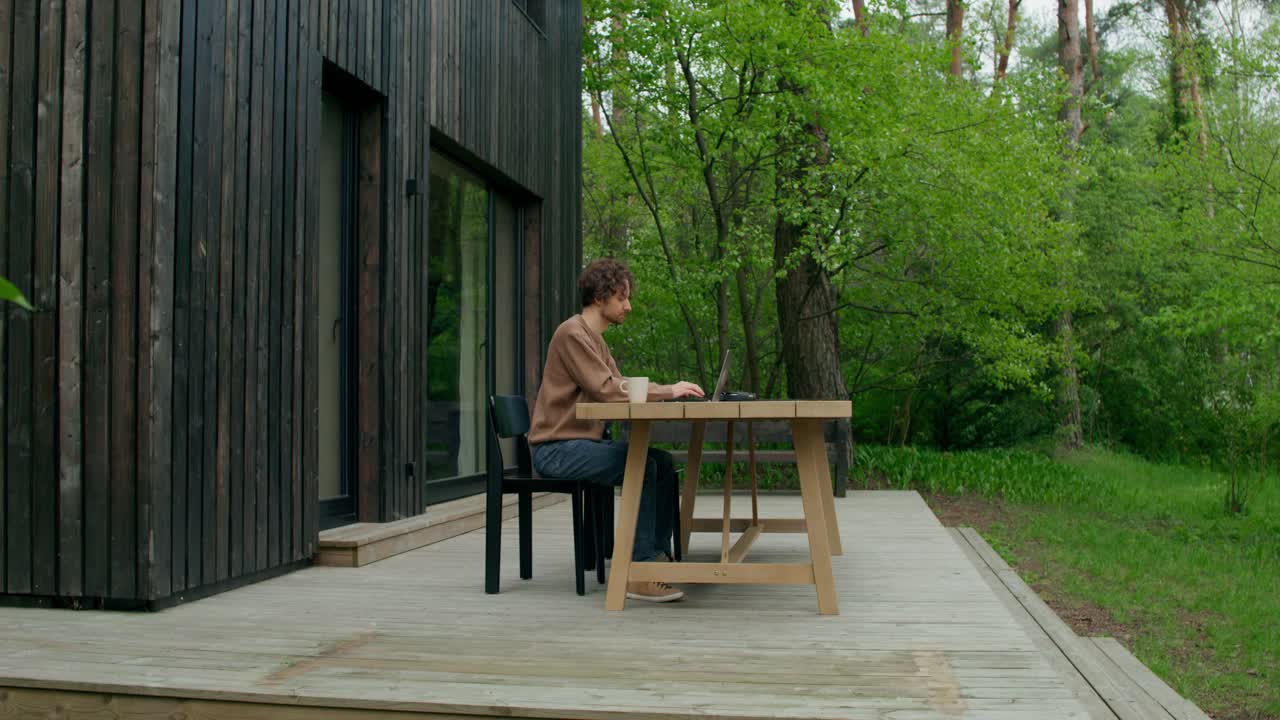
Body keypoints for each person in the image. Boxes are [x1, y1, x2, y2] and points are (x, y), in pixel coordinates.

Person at [528, 258, 704, 602]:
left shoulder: (596, 340)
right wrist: (668, 390)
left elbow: (620, 386)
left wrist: (660, 395)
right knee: (645, 466)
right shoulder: (572, 333)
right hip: (556, 449)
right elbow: (608, 389)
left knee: (662, 463)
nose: (629, 306)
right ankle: (637, 572)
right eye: (622, 297)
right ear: (600, 298)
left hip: (581, 446)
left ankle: (654, 557)